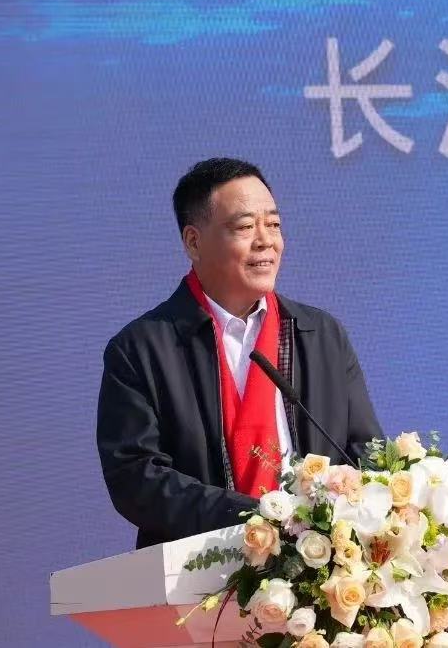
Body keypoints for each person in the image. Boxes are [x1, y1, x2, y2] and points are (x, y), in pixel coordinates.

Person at [96, 157, 382, 549]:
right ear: (193, 242)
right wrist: (260, 519)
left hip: (321, 562)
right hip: (198, 570)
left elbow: (366, 454)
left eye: (274, 225)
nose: (266, 241)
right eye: (245, 227)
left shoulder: (321, 335)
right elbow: (136, 479)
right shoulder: (141, 349)